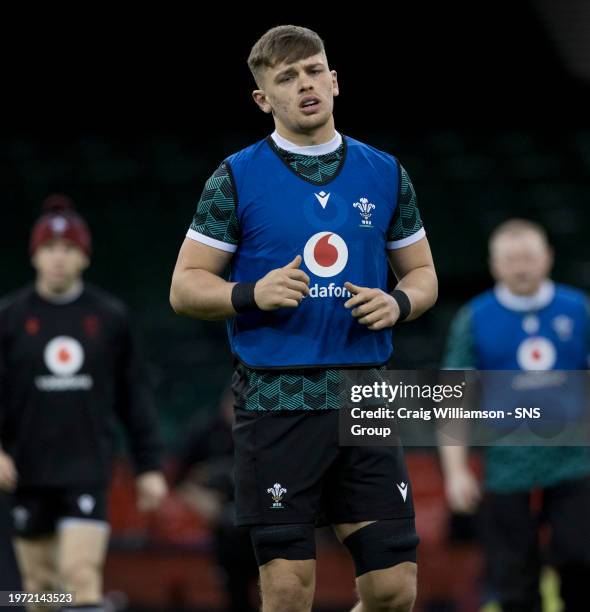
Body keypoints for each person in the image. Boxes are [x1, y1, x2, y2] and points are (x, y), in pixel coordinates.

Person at [170, 25, 438, 612]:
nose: (305, 85)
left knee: (394, 590)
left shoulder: (385, 172)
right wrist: (249, 293)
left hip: (364, 396)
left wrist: (399, 302)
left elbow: (422, 274)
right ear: (264, 100)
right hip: (276, 403)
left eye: (314, 71)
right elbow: (185, 288)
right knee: (290, 592)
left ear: (335, 81)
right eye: (286, 78)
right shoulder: (235, 177)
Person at [0, 195, 168, 612]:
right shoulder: (9, 317)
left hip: (86, 468)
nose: (59, 258)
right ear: (35, 254)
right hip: (25, 471)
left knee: (79, 579)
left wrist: (148, 467)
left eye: (69, 249)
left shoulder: (110, 317)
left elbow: (135, 393)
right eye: (50, 248)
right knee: (37, 591)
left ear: (85, 257)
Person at [439, 219, 590, 612]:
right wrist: (455, 472)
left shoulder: (578, 309)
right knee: (512, 578)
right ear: (494, 265)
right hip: (505, 465)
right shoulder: (474, 318)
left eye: (528, 257)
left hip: (575, 461)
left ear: (547, 258)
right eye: (511, 259)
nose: (521, 266)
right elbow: (453, 397)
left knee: (581, 562)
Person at [172, 387, 259, 612]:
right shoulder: (204, 431)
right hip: (221, 527)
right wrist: (200, 501)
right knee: (234, 594)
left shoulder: (264, 432)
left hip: (259, 522)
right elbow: (175, 482)